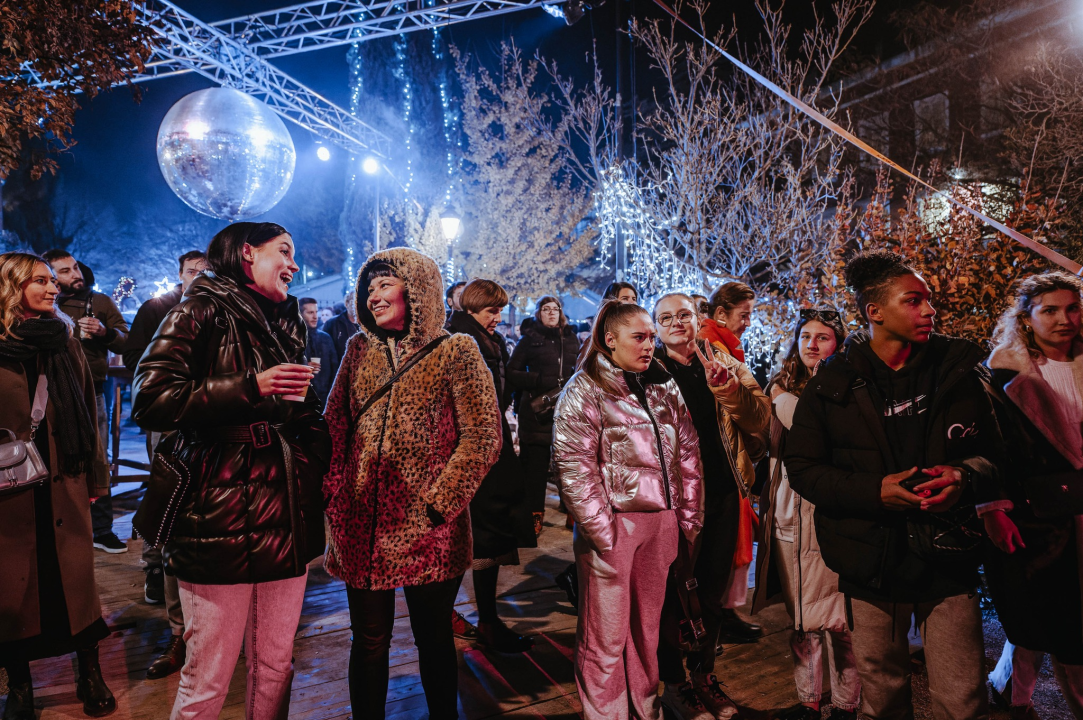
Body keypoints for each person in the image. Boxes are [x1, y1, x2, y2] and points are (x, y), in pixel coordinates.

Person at [784, 250, 1004, 720]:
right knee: (881, 694)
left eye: (929, 301)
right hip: (871, 557)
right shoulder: (831, 384)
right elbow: (802, 468)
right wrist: (873, 491)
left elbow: (999, 456)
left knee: (963, 696)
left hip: (949, 554)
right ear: (875, 312)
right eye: (915, 301)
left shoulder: (959, 372)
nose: (930, 311)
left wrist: (965, 476)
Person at [132, 222, 331, 719]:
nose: (294, 264)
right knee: (208, 677)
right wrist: (251, 385)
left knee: (276, 666)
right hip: (216, 512)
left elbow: (295, 406)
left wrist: (311, 441)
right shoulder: (198, 309)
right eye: (284, 251)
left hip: (283, 508)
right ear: (247, 253)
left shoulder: (287, 320)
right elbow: (150, 399)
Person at [323, 248, 501, 720]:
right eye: (370, 286)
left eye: (385, 284)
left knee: (434, 637)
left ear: (416, 290)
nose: (373, 294)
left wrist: (438, 506)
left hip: (429, 532)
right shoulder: (356, 350)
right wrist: (334, 493)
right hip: (361, 527)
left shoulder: (455, 350)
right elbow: (334, 426)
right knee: (369, 640)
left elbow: (484, 435)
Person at [553, 299, 704, 720]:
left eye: (652, 337)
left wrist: (687, 516)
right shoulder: (586, 388)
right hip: (616, 526)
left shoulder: (663, 384)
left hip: (663, 523)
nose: (649, 345)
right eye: (639, 337)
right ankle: (606, 714)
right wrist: (603, 531)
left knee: (647, 629)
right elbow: (573, 465)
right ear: (609, 339)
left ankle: (644, 707)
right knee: (605, 634)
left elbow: (688, 452)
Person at [0, 252, 116, 719]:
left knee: (75, 583)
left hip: (64, 477)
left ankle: (90, 673)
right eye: (40, 281)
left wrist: (96, 477)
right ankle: (20, 688)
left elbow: (89, 413)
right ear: (11, 286)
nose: (53, 289)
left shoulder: (64, 340)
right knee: (13, 590)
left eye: (53, 281)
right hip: (10, 488)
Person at [652, 293, 769, 720]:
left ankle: (704, 677)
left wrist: (728, 386)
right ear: (655, 326)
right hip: (673, 504)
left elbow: (760, 420)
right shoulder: (649, 369)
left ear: (699, 319)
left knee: (714, 595)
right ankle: (675, 684)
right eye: (665, 317)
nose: (676, 323)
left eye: (683, 314)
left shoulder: (722, 360)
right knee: (673, 597)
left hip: (722, 493)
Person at [752, 309, 860, 720]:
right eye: (805, 336)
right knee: (801, 618)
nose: (812, 344)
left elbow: (809, 427)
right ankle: (808, 701)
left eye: (824, 337)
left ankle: (847, 704)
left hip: (832, 511)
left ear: (839, 343)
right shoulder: (780, 384)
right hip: (786, 512)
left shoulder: (850, 387)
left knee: (840, 619)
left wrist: (778, 398)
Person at [984, 271, 1083, 718]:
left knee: (1047, 617)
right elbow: (991, 447)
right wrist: (993, 508)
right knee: (1057, 618)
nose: (1064, 319)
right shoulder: (1006, 371)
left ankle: (1008, 690)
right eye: (1050, 310)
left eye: (1073, 307)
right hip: (1039, 514)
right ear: (1026, 317)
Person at [121, 248, 206, 680]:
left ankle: (207, 629)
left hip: (213, 429)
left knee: (203, 525)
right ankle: (177, 627)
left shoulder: (222, 309)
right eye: (193, 271)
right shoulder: (159, 308)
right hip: (171, 425)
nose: (200, 277)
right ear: (179, 275)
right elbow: (138, 362)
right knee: (169, 512)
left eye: (206, 271)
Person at [447, 279, 537, 652]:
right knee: (475, 537)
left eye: (500, 310)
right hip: (472, 452)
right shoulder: (457, 340)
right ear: (471, 309)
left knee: (491, 536)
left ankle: (485, 618)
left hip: (494, 447)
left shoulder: (491, 341)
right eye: (492, 310)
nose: (498, 317)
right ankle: (465, 618)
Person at [43, 249, 130, 554]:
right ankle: (62, 526)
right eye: (64, 271)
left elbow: (126, 338)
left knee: (97, 456)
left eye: (75, 267)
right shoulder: (44, 302)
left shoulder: (100, 301)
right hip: (49, 392)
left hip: (92, 389)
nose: (75, 274)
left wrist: (105, 332)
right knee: (53, 456)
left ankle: (102, 529)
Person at [699, 281, 765, 643]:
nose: (748, 323)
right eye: (745, 315)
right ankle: (718, 615)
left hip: (730, 459)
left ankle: (723, 611)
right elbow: (749, 411)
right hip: (722, 463)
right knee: (723, 543)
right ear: (721, 314)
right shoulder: (712, 348)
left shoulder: (725, 345)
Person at [507, 295, 581, 535]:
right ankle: (534, 518)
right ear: (538, 313)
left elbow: (579, 370)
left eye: (555, 309)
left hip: (564, 412)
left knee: (569, 467)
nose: (551, 313)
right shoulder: (529, 340)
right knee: (535, 472)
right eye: (546, 309)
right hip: (536, 412)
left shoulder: (571, 339)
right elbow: (512, 372)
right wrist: (537, 380)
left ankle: (573, 514)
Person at [299, 296, 339, 407]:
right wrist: (304, 367)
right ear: (301, 314)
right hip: (303, 399)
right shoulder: (294, 340)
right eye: (310, 312)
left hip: (326, 397)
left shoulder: (325, 338)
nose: (315, 316)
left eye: (316, 312)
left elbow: (335, 368)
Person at [323, 290, 361, 362]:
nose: (357, 305)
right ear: (346, 304)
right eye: (354, 301)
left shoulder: (368, 324)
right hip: (340, 368)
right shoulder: (332, 324)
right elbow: (325, 351)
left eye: (359, 301)